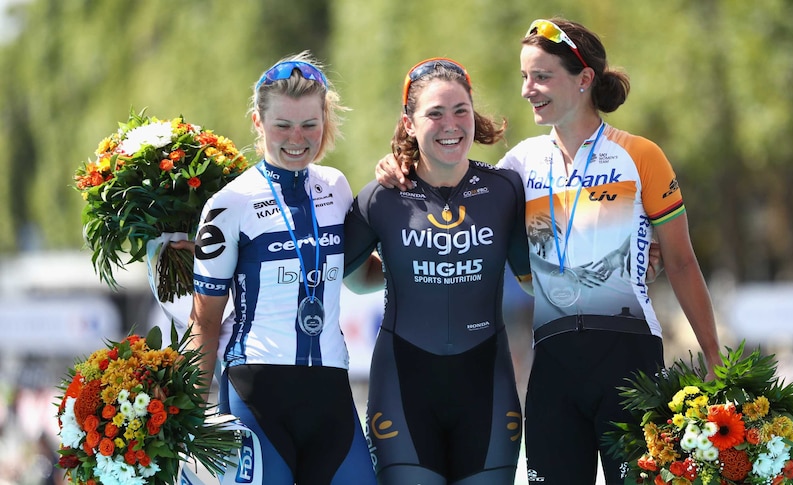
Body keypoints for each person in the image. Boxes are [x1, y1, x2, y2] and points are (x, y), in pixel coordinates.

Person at [376, 18, 722, 484]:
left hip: (630, 355)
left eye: (541, 76)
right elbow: (455, 190)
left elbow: (680, 261)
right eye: (524, 77)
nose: (527, 89)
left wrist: (715, 358)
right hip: (553, 363)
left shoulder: (640, 156)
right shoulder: (518, 164)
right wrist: (400, 161)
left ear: (583, 80)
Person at [186, 51, 377, 484]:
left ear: (325, 121)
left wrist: (426, 264)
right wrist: (190, 420)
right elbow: (205, 321)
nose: (297, 138)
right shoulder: (227, 205)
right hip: (257, 392)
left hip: (330, 387)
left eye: (310, 124)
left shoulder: (337, 186)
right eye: (283, 125)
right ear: (258, 122)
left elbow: (358, 277)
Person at [343, 58, 532, 484]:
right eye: (435, 113)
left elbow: (534, 280)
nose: (451, 124)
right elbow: (353, 280)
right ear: (409, 123)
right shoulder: (380, 198)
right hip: (403, 388)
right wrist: (399, 271)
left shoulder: (504, 191)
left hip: (487, 385)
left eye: (460, 110)